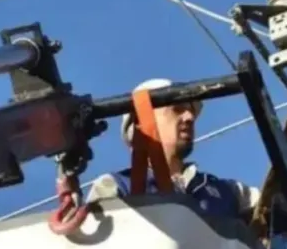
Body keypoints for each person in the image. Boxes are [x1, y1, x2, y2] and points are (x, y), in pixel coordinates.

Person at [86, 78, 260, 221]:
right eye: (177, 109)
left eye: (191, 111)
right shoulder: (115, 186)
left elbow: (271, 205)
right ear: (142, 123)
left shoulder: (230, 192)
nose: (190, 117)